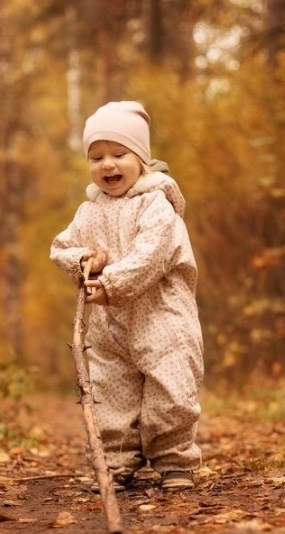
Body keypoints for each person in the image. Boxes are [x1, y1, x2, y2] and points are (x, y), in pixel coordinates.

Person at [50, 101, 203, 491]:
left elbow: (151, 255)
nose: (108, 165)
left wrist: (111, 283)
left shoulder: (157, 205)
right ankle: (116, 463)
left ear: (142, 159)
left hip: (161, 317)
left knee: (170, 388)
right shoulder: (89, 212)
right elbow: (61, 248)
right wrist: (84, 258)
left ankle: (173, 462)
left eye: (119, 154)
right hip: (110, 326)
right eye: (96, 157)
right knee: (108, 391)